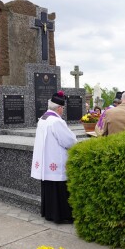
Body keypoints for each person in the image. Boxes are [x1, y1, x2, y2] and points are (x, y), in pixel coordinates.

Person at [31, 91, 77, 224]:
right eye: (63, 108)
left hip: (47, 162)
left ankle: (49, 213)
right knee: (59, 189)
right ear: (59, 108)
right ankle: (61, 216)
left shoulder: (43, 118)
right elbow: (69, 141)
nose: (63, 111)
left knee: (49, 188)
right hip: (56, 161)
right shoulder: (56, 121)